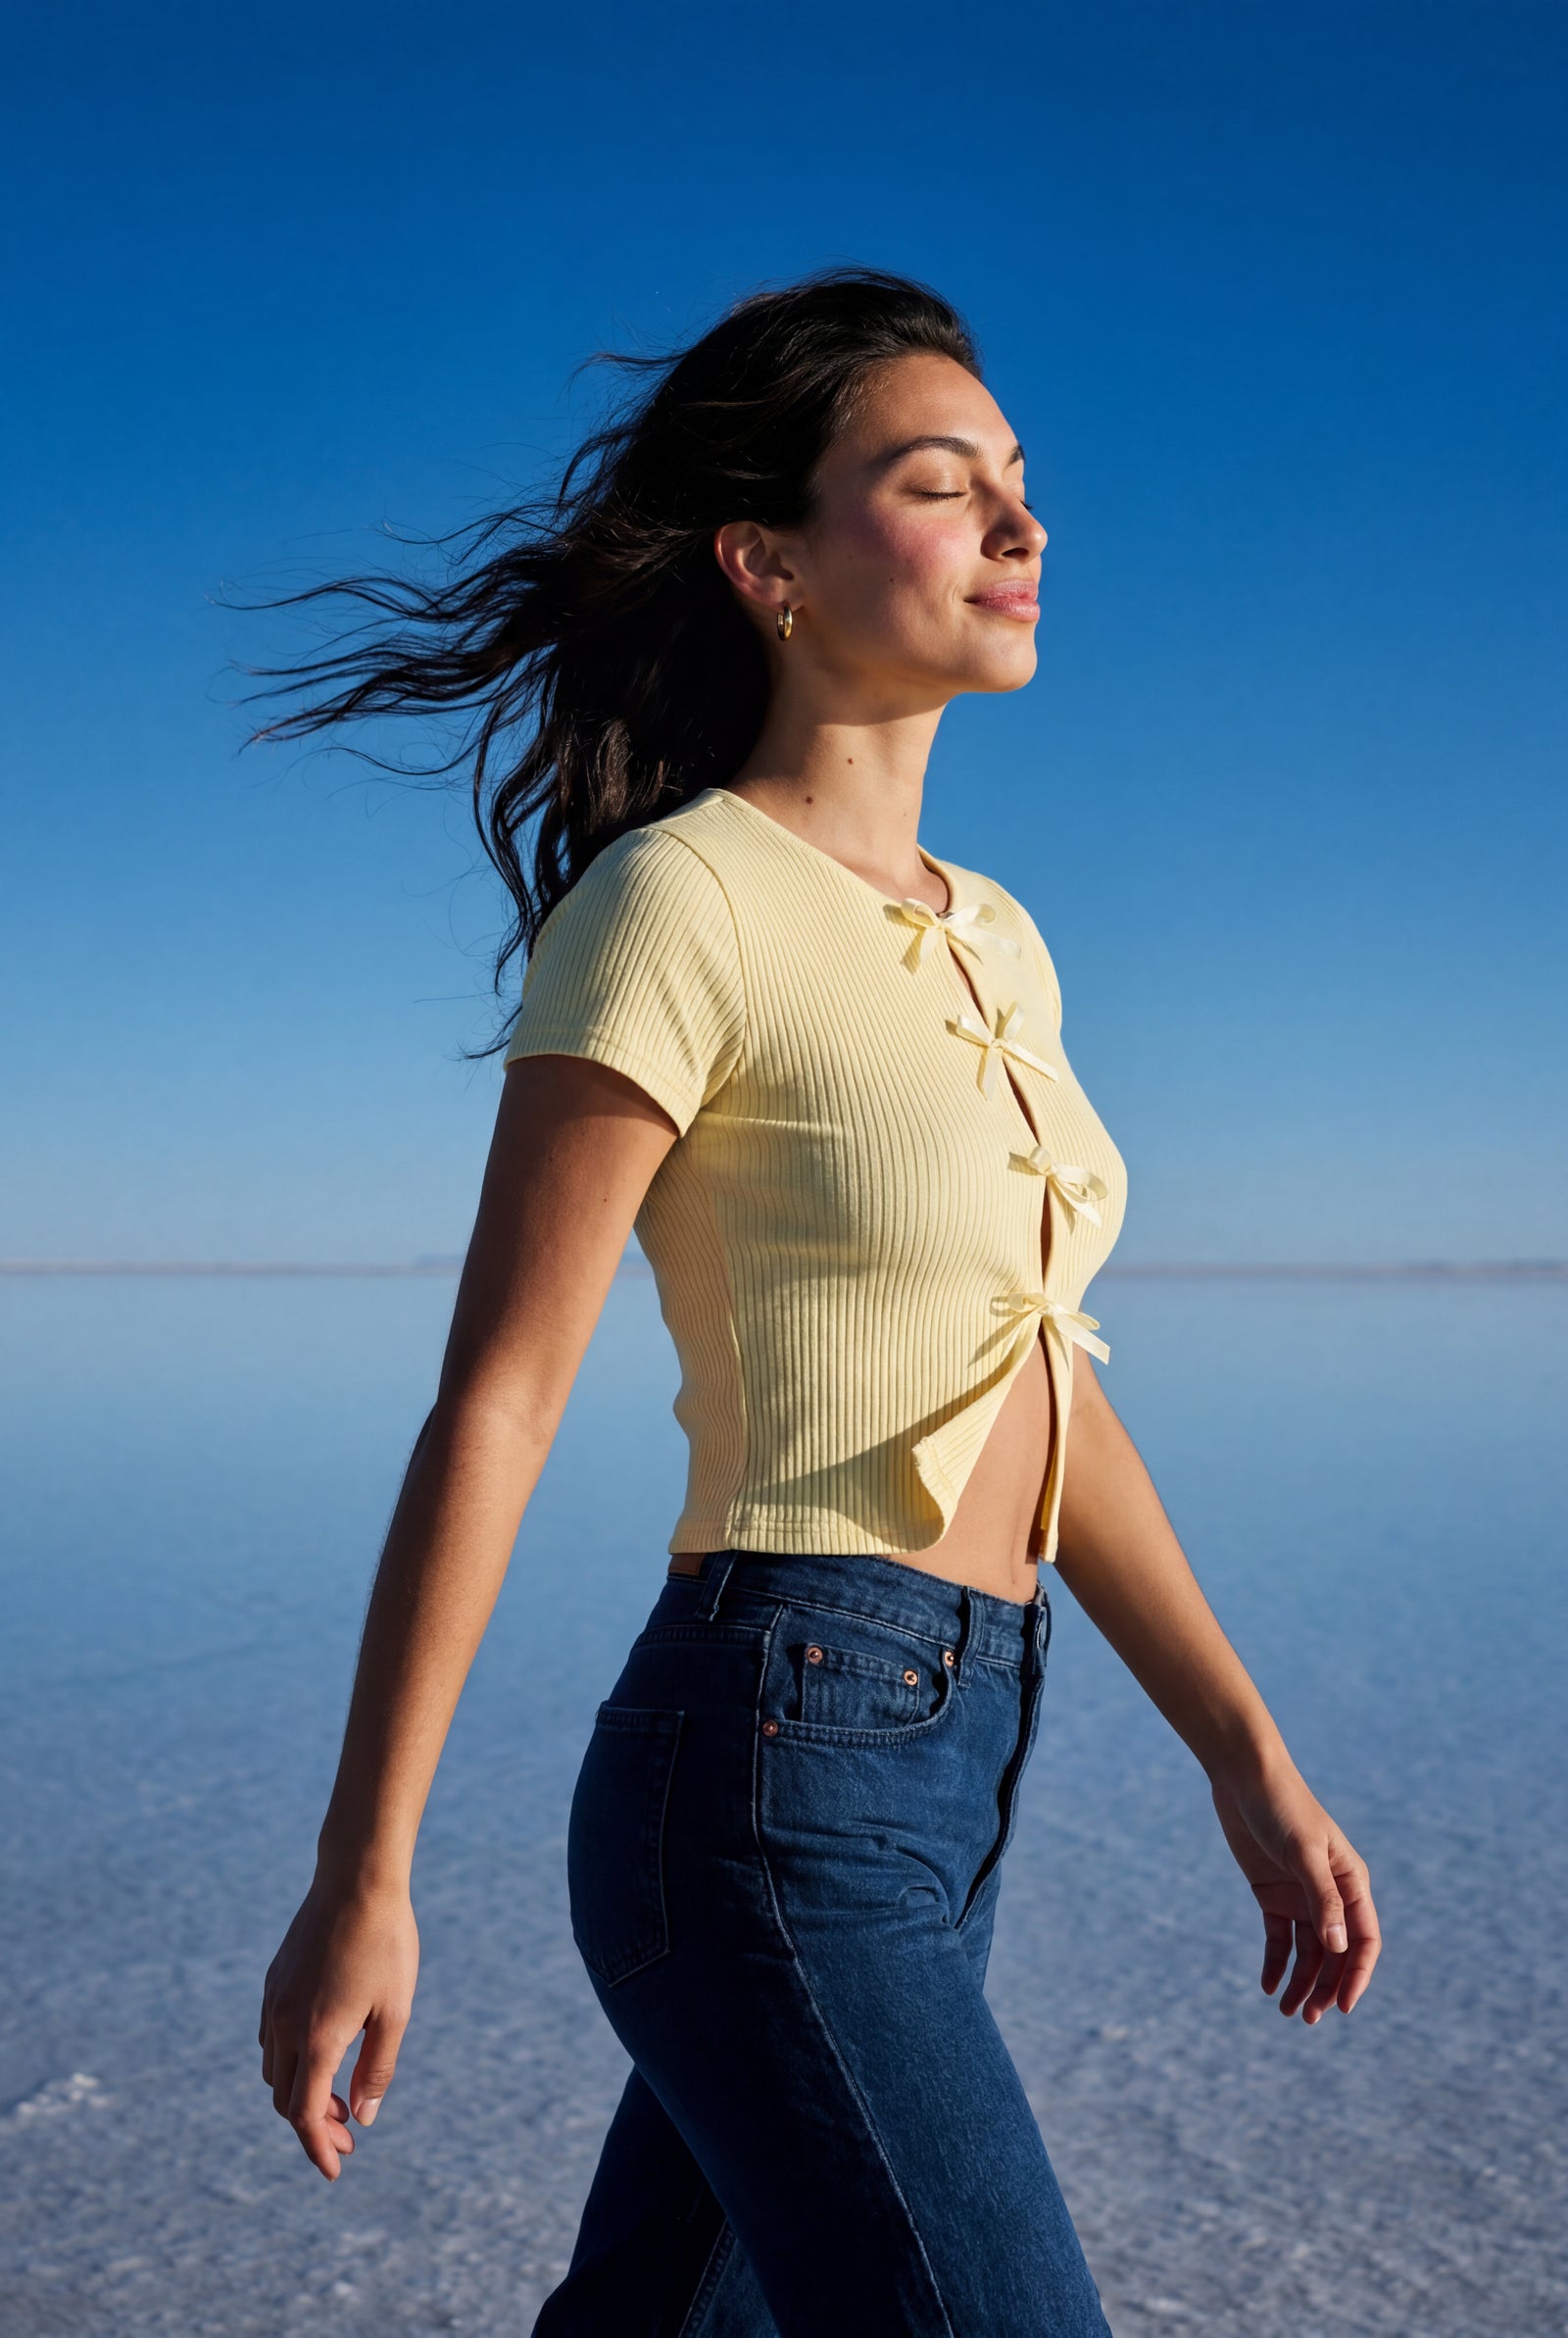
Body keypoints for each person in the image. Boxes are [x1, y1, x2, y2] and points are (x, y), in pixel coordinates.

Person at [255, 267, 1381, 2336]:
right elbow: (496, 1402)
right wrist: (364, 1865)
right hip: (773, 1754)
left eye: (1020, 487)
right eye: (944, 487)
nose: (1022, 530)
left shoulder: (1004, 942)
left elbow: (1038, 1385)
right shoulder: (676, 899)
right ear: (766, 561)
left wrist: (1242, 1749)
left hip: (950, 1743)